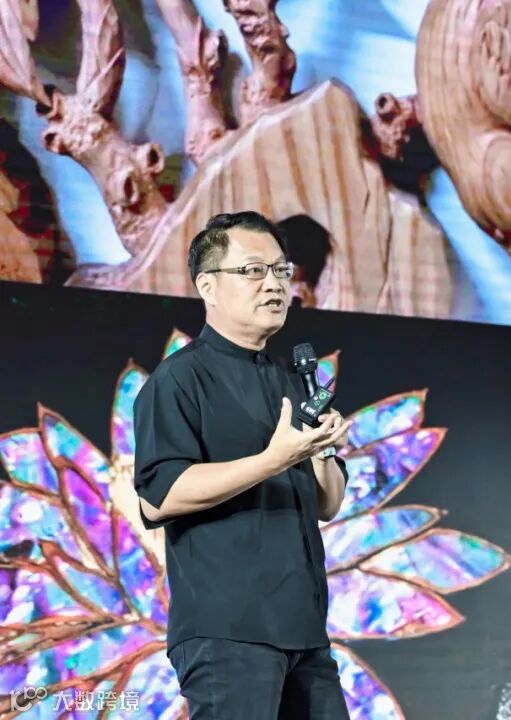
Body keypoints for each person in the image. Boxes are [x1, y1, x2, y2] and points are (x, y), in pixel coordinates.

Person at [133, 211, 353, 719]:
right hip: (228, 634)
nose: (274, 284)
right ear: (208, 286)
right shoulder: (179, 380)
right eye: (253, 271)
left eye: (281, 270)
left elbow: (328, 504)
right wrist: (272, 460)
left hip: (306, 634)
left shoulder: (291, 382)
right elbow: (160, 496)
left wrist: (321, 448)